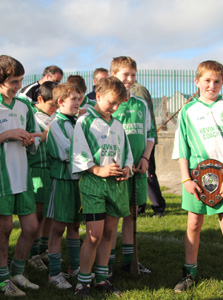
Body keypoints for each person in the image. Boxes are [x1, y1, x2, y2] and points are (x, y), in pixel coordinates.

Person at [172, 60, 223, 299]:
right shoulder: (187, 110)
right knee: (194, 224)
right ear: (197, 82)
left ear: (222, 82)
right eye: (207, 80)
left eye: (217, 81)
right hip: (195, 178)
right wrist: (186, 179)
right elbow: (182, 148)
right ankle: (189, 274)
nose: (212, 85)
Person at [0, 55, 41, 297]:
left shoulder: (25, 105)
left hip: (22, 174)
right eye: (13, 82)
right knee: (4, 227)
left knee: (31, 226)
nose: (17, 86)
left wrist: (28, 139)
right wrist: (7, 135)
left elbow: (33, 135)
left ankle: (17, 271)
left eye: (20, 81)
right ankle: (1, 279)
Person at [72, 76, 133, 297]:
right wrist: (97, 170)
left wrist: (127, 168)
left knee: (109, 233)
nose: (115, 108)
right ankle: (83, 282)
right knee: (94, 235)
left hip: (116, 185)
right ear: (98, 96)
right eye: (111, 103)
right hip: (94, 184)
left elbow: (126, 154)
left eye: (119, 104)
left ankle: (101, 279)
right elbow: (79, 153)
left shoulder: (117, 125)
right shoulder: (85, 121)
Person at [109, 57, 154, 276]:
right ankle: (105, 263)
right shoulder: (107, 105)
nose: (130, 79)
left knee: (131, 214)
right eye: (125, 74)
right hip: (116, 171)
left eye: (133, 75)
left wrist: (145, 158)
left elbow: (150, 134)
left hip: (137, 170)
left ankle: (130, 261)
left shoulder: (141, 104)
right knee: (112, 217)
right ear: (113, 75)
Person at [45, 83, 82, 289]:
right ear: (61, 102)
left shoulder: (78, 122)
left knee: (75, 225)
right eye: (73, 99)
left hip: (77, 181)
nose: (78, 102)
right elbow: (66, 153)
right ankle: (54, 273)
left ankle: (74, 267)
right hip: (61, 181)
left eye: (79, 99)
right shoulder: (56, 124)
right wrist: (89, 155)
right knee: (58, 228)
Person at [27, 81, 58, 270]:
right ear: (40, 99)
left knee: (50, 213)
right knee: (37, 214)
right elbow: (32, 141)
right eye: (52, 104)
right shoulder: (32, 116)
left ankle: (44, 248)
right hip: (37, 169)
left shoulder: (57, 116)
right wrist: (48, 133)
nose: (55, 107)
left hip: (53, 170)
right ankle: (32, 253)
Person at [131, 82, 166, 217]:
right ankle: (139, 206)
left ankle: (158, 206)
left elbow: (143, 118)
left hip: (144, 141)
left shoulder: (138, 90)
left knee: (148, 174)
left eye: (132, 75)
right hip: (135, 141)